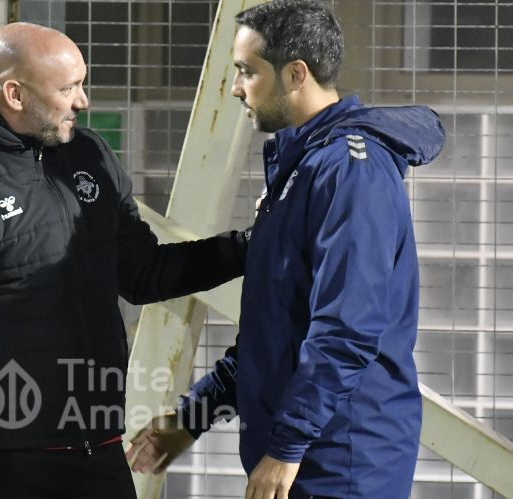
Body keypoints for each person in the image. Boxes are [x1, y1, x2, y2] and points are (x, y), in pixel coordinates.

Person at [0, 22, 250, 499]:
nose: (83, 101)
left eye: (82, 83)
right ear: (15, 94)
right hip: (8, 466)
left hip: (98, 449)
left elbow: (143, 273)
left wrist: (251, 246)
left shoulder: (88, 155)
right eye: (68, 89)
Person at [126, 1, 445, 498]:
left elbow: (348, 328)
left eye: (246, 72)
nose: (235, 88)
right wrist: (194, 416)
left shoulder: (348, 172)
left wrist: (288, 447)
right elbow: (276, 331)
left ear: (295, 73)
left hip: (340, 468)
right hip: (311, 460)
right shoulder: (303, 170)